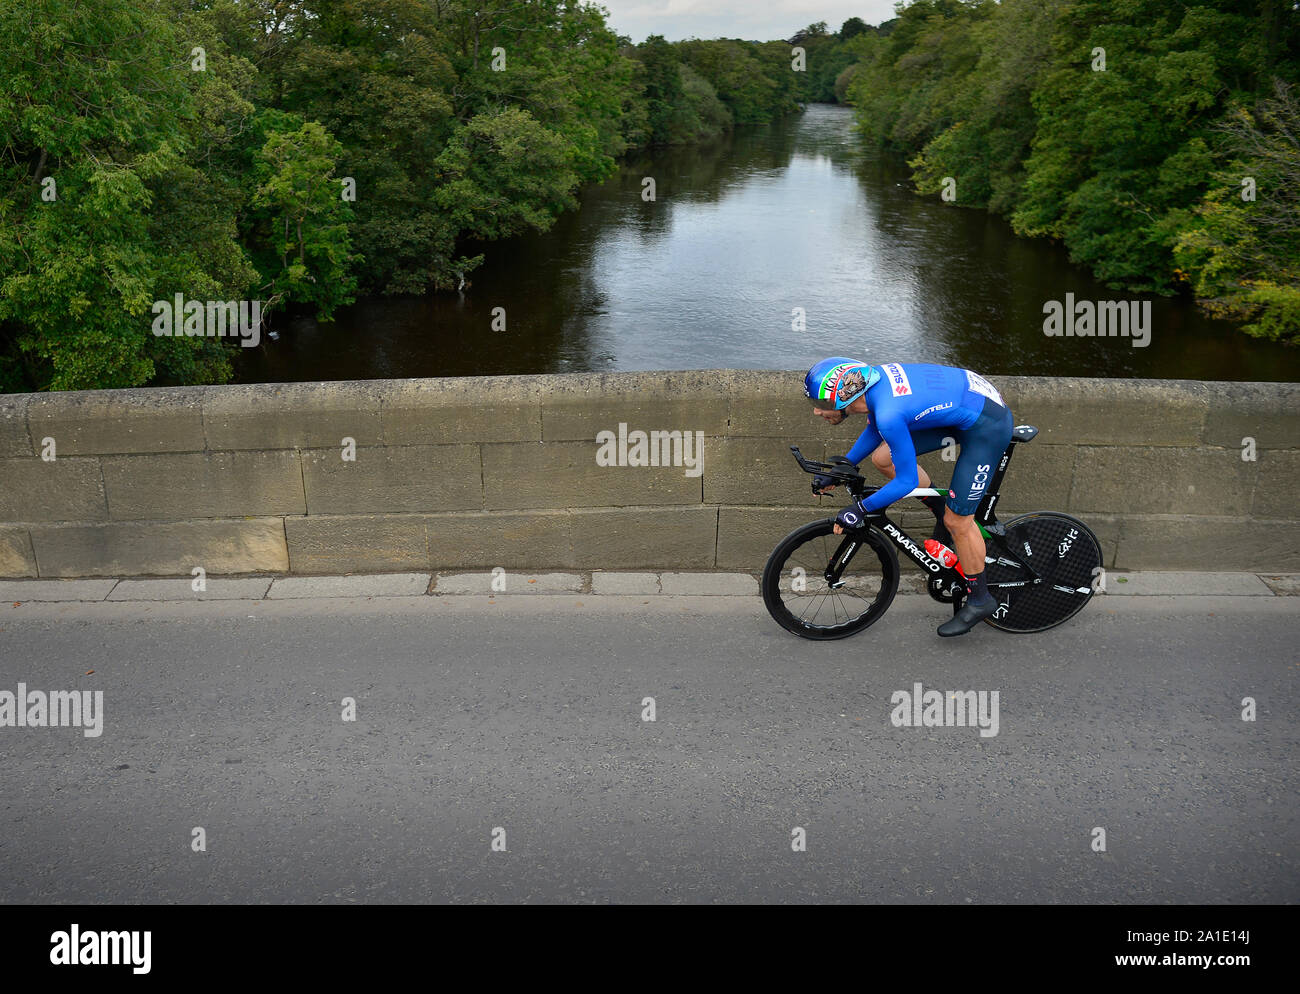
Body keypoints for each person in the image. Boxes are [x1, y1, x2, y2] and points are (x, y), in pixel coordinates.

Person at [803, 357, 1014, 637]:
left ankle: (980, 600)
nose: (818, 412)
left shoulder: (889, 411)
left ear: (846, 396)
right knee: (883, 457)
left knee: (959, 521)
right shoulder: (874, 386)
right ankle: (941, 510)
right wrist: (845, 466)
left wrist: (861, 508)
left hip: (986, 425)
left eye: (824, 404)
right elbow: (874, 430)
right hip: (963, 404)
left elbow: (906, 481)